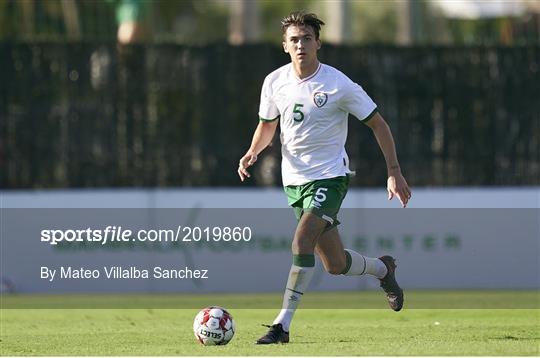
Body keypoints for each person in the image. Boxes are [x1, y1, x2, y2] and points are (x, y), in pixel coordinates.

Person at [237, 11, 411, 345]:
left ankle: (282, 325)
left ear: (318, 43)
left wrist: (393, 171)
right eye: (294, 40)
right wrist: (253, 151)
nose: (300, 45)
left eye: (306, 38)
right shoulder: (274, 82)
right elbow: (268, 125)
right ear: (285, 46)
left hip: (330, 176)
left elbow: (378, 124)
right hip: (294, 182)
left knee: (301, 241)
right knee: (334, 264)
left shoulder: (338, 84)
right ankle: (383, 269)